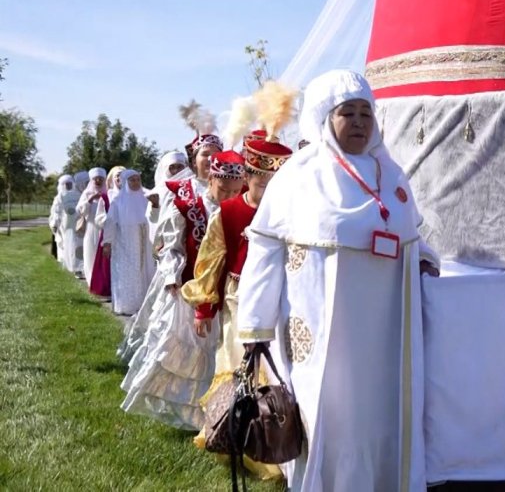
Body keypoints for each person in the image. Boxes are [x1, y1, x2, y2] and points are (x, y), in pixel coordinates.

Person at [237, 69, 440, 491]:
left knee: (384, 413)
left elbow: (412, 235)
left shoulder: (392, 175)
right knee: (328, 414)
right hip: (324, 333)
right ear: (324, 117)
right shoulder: (298, 177)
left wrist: (424, 260)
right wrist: (255, 327)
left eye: (367, 112)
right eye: (348, 112)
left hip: (387, 337)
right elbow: (265, 251)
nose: (360, 122)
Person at [183, 131, 293, 480]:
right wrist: (204, 308)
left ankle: (274, 442)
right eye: (261, 183)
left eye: (274, 184)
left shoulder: (291, 212)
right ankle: (235, 438)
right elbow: (211, 261)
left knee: (274, 372)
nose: (267, 190)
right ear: (248, 175)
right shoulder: (229, 213)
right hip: (238, 300)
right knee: (237, 367)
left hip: (281, 299)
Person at [121, 138, 243, 430]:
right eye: (205, 154)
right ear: (195, 159)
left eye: (215, 154)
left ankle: (217, 412)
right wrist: (172, 275)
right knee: (187, 350)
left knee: (222, 350)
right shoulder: (185, 197)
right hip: (190, 287)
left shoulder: (238, 199)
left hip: (226, 289)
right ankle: (192, 413)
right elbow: (170, 245)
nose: (209, 158)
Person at [100, 170, 156, 315]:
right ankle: (128, 305)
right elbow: (110, 223)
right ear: (125, 182)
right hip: (125, 243)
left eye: (138, 179)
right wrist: (107, 243)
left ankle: (146, 304)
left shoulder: (146, 196)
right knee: (128, 273)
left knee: (146, 269)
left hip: (145, 241)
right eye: (132, 180)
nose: (136, 183)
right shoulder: (118, 201)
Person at [77, 167, 108, 284]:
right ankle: (92, 280)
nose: (98, 181)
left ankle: (103, 281)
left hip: (105, 230)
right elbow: (80, 211)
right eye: (96, 179)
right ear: (92, 180)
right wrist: (90, 199)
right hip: (91, 229)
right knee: (90, 254)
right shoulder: (87, 193)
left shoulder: (108, 192)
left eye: (101, 179)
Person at [48, 175, 81, 275]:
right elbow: (56, 212)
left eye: (69, 183)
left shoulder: (78, 195)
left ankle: (77, 267)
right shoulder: (59, 197)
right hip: (64, 226)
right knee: (65, 245)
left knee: (76, 245)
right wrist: (55, 224)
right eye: (65, 184)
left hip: (77, 224)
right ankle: (66, 267)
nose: (68, 186)